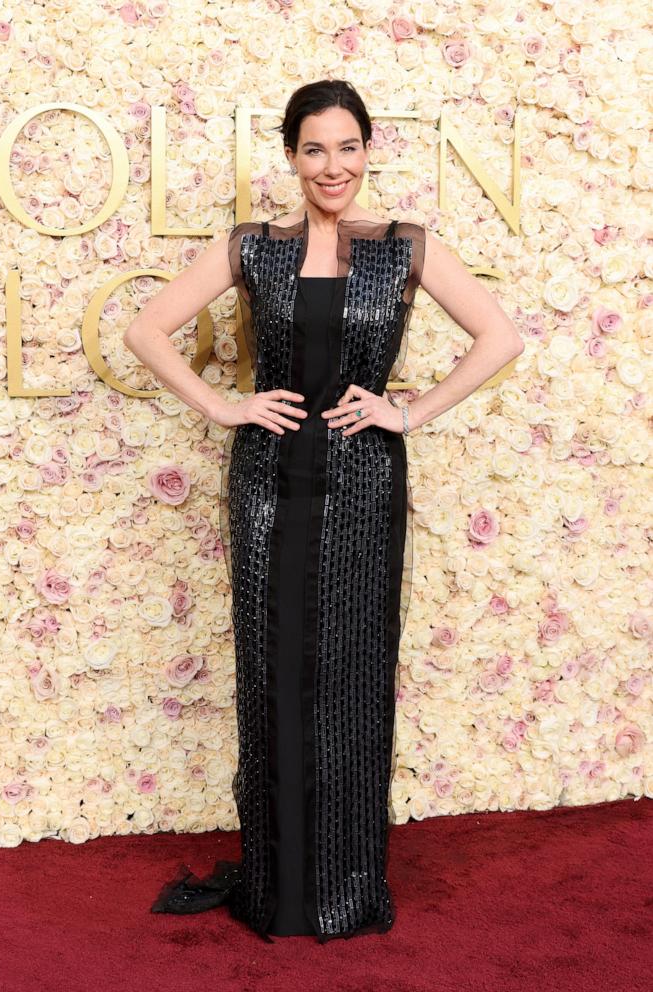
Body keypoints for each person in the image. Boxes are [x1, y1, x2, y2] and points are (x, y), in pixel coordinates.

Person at [123, 78, 524, 944]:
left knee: (350, 674)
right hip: (268, 480)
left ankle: (343, 889)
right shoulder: (254, 247)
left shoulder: (403, 246)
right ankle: (275, 889)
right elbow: (146, 329)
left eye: (346, 147)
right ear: (291, 157)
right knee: (272, 675)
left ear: (367, 150)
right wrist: (226, 406)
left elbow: (501, 337)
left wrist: (405, 411)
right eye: (313, 149)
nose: (331, 165)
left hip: (365, 482)